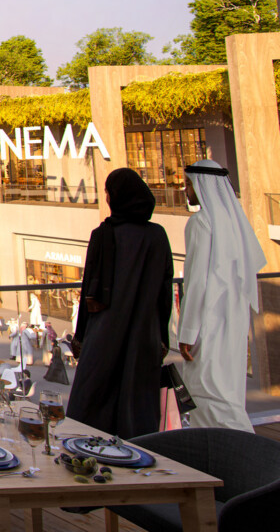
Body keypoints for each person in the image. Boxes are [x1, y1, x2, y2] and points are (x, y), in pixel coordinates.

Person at [65, 167, 173, 439]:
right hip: (144, 332)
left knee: (92, 400)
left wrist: (80, 337)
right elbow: (164, 290)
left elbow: (89, 287)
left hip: (105, 330)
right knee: (137, 404)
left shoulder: (103, 234)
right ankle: (137, 459)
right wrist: (162, 336)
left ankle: (89, 454)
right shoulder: (157, 235)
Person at [180, 159, 265, 431]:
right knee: (227, 393)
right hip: (235, 320)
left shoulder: (201, 223)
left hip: (209, 322)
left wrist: (186, 334)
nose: (186, 191)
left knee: (209, 394)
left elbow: (196, 282)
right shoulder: (235, 224)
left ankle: (243, 457)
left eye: (189, 185)